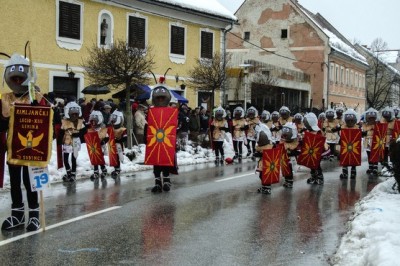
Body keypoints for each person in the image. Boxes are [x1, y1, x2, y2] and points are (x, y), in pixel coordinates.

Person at [147, 85, 178, 193]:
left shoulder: (171, 112)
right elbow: (149, 126)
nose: (160, 100)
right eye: (158, 98)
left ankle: (166, 181)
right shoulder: (151, 112)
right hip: (155, 139)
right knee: (156, 162)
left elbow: (173, 126)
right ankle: (157, 183)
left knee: (165, 161)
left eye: (162, 98)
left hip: (166, 139)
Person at [59, 102, 86, 182]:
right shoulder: (64, 121)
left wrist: (78, 134)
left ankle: (73, 174)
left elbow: (84, 131)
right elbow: (61, 132)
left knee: (74, 158)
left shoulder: (81, 122)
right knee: (66, 159)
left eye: (76, 114)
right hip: (67, 141)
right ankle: (69, 173)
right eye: (72, 114)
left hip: (75, 142)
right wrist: (60, 140)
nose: (74, 116)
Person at [87, 110, 109, 182]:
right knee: (94, 158)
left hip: (101, 146)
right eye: (92, 121)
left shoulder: (102, 128)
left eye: (94, 121)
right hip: (94, 146)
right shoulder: (91, 129)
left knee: (100, 158)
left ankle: (104, 169)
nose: (93, 123)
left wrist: (103, 142)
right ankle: (96, 172)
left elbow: (107, 137)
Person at [303, 112, 324, 185]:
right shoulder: (308, 131)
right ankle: (313, 177)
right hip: (310, 151)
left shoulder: (317, 131)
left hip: (317, 151)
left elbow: (320, 141)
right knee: (311, 164)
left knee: (317, 165)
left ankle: (320, 178)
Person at [339, 109, 361, 179]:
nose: (350, 122)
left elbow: (359, 136)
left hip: (354, 146)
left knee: (354, 157)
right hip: (345, 146)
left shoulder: (357, 128)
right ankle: (345, 172)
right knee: (345, 157)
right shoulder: (343, 127)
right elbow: (340, 135)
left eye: (352, 120)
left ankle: (353, 172)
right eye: (348, 120)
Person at [254, 123, 274, 194]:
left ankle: (267, 188)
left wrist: (259, 153)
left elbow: (267, 153)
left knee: (265, 174)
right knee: (261, 174)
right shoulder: (261, 146)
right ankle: (264, 186)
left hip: (266, 162)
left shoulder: (269, 146)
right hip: (261, 162)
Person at [279, 122, 300, 188]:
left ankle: (290, 181)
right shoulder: (283, 141)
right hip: (284, 158)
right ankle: (287, 180)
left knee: (290, 168)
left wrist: (292, 152)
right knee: (285, 169)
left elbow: (298, 150)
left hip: (292, 158)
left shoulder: (296, 141)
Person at [109, 110, 127, 179]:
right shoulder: (111, 129)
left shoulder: (122, 129)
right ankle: (116, 168)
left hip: (119, 145)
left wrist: (119, 140)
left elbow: (125, 138)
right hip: (112, 145)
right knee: (114, 157)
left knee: (118, 157)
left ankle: (118, 169)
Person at [362, 108, 379, 175]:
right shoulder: (365, 125)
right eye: (370, 118)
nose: (371, 119)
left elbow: (379, 132)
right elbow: (363, 132)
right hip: (367, 140)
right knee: (369, 154)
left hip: (375, 140)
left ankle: (375, 166)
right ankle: (370, 166)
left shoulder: (377, 124)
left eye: (372, 118)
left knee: (375, 153)